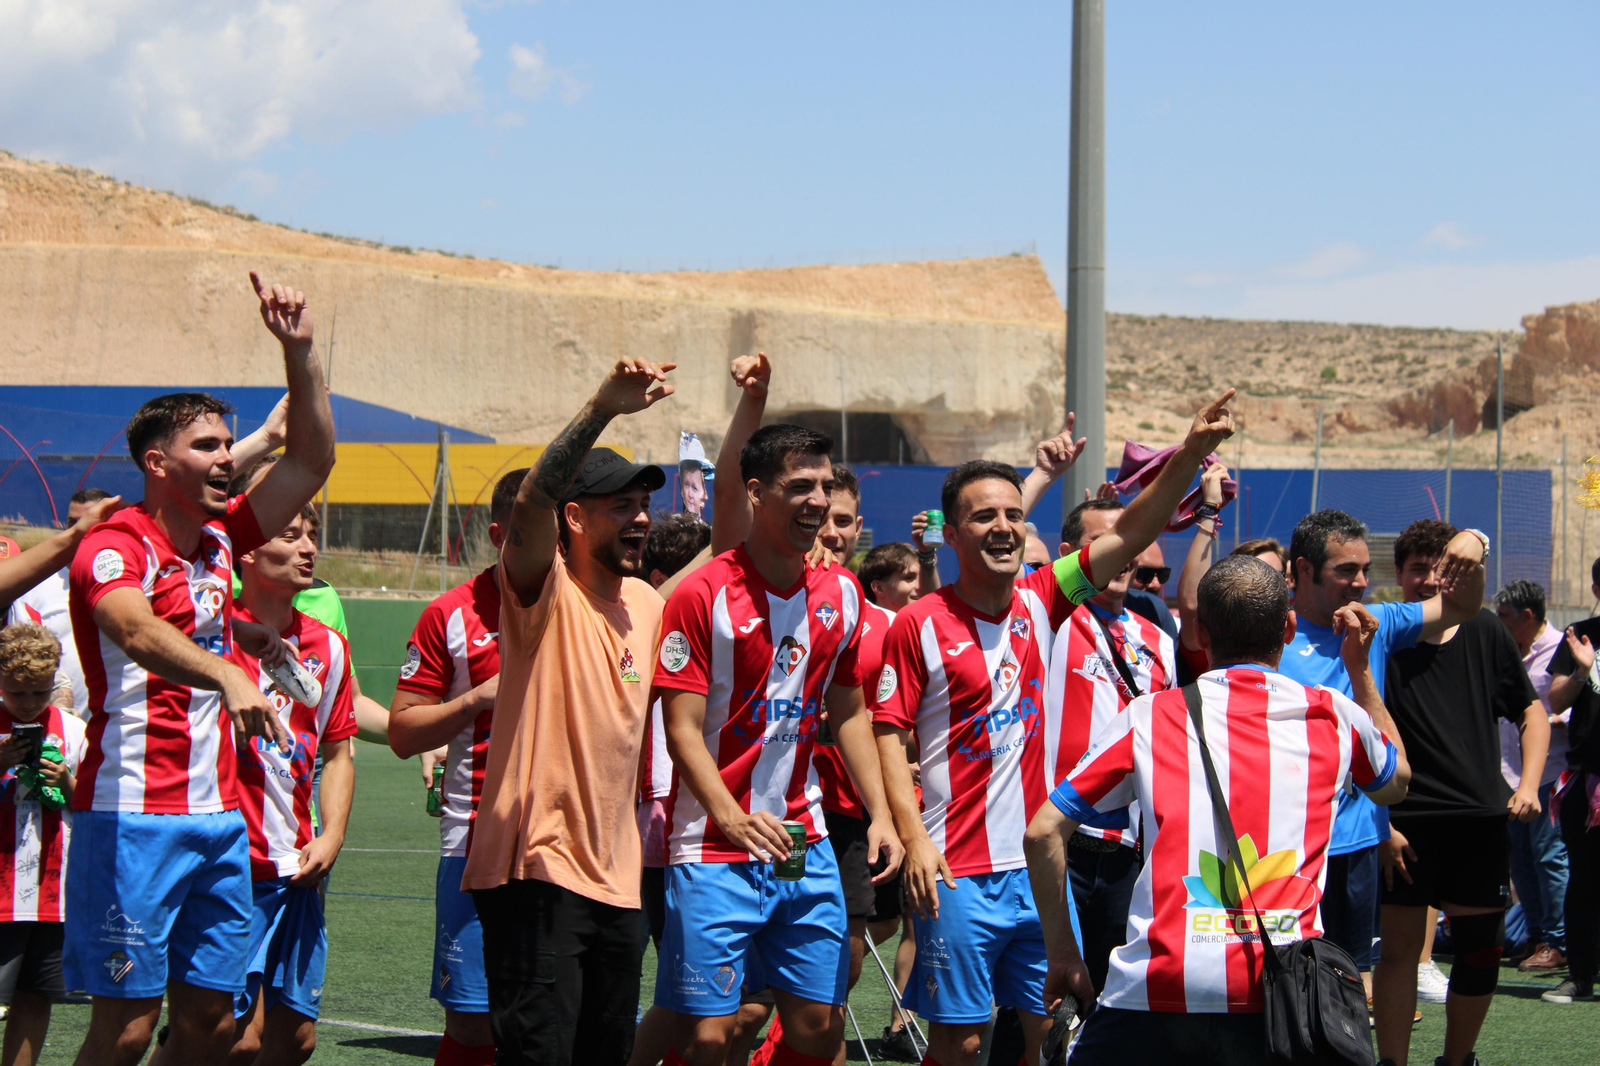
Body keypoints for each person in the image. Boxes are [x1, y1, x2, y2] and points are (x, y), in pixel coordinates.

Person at [871, 391, 1237, 1066]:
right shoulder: (920, 624)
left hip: (1040, 871)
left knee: (1047, 1034)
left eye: (1014, 513)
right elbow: (888, 735)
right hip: (957, 871)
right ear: (951, 536)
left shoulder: (1046, 596)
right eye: (984, 517)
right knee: (964, 1041)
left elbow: (1131, 530)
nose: (1004, 526)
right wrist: (912, 836)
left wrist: (1188, 454)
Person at [64, 272, 335, 1066]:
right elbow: (134, 629)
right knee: (124, 1030)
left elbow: (312, 459)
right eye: (209, 447)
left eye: (229, 443)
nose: (230, 458)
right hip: (130, 816)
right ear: (157, 463)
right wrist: (228, 674)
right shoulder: (114, 546)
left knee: (213, 1026)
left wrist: (300, 352)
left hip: (221, 822)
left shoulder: (222, 539)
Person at [1024, 556, 1411, 1065]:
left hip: (1153, 988)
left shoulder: (1150, 715)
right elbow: (1396, 782)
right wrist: (1359, 671)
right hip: (1280, 995)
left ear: (1200, 631)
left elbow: (1043, 831)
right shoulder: (1334, 715)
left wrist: (1064, 954)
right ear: (1289, 627)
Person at [654, 423, 904, 1066]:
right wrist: (730, 816)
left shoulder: (842, 593)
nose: (819, 500)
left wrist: (880, 814)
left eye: (826, 484)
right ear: (757, 493)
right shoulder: (700, 593)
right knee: (707, 1038)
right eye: (801, 486)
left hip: (803, 842)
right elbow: (680, 728)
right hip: (710, 845)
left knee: (820, 1027)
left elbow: (848, 709)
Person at [459, 357, 675, 1065]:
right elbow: (529, 501)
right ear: (574, 519)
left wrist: (751, 409)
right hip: (536, 873)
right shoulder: (539, 589)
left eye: (644, 505)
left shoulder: (647, 602)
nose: (641, 518)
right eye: (622, 505)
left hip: (619, 880)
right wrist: (603, 408)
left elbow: (728, 548)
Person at [1274, 509, 1485, 1006]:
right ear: (1304, 570)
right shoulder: (1272, 635)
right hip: (1289, 845)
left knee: (1349, 986)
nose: (1361, 583)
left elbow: (1462, 607)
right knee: (1287, 988)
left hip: (1359, 844)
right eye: (1346, 571)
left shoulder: (1380, 623)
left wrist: (1476, 541)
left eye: (1366, 570)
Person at [1372, 520, 1546, 1066]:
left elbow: (1531, 712)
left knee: (1480, 952)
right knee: (1398, 955)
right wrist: (1384, 825)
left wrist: (1531, 785)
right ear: (1397, 574)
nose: (1429, 580)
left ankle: (1457, 1060)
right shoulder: (1375, 634)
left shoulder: (1487, 631)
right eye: (1418, 569)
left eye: (1442, 568)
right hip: (1406, 824)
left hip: (1478, 819)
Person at [387, 470, 526, 1066]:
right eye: (530, 529)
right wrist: (473, 700)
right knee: (473, 1023)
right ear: (498, 534)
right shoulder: (450, 614)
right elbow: (401, 731)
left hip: (570, 844)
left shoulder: (592, 607)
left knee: (556, 1018)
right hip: (474, 842)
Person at [226, 504, 357, 1066]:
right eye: (290, 535)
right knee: (237, 1038)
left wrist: (332, 837)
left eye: (312, 535)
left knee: (295, 1042)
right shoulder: (210, 635)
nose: (308, 548)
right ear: (248, 552)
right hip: (229, 864)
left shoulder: (328, 648)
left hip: (295, 866)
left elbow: (339, 751)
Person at [1043, 493, 1178, 994]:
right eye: (1103, 543)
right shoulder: (1048, 620)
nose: (1123, 555)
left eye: (1129, 543)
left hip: (1127, 853)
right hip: (1060, 844)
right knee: (1039, 1003)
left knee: (1112, 998)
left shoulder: (1158, 639)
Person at [0, 624, 87, 1066]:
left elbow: (88, 805)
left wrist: (66, 781)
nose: (30, 704)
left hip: (53, 892)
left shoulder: (72, 730)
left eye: (39, 692)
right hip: (0, 896)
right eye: (18, 694)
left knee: (36, 997)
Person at [1493, 579, 1570, 973]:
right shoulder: (1507, 652)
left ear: (1527, 616)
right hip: (1510, 776)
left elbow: (1573, 703)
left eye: (1504, 617)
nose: (1498, 624)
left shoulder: (1563, 648)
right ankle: (1537, 936)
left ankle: (1559, 941)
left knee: (1549, 857)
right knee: (1522, 861)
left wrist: (1556, 719)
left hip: (1550, 775)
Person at [1541, 555, 1600, 1005]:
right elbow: (1555, 697)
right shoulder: (1581, 635)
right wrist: (1583, 668)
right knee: (1584, 880)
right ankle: (1580, 975)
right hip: (1588, 777)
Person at [5, 489, 115, 717]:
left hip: (114, 718)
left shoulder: (132, 582)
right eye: (72, 522)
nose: (79, 531)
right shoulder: (35, 587)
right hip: (50, 721)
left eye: (87, 523)